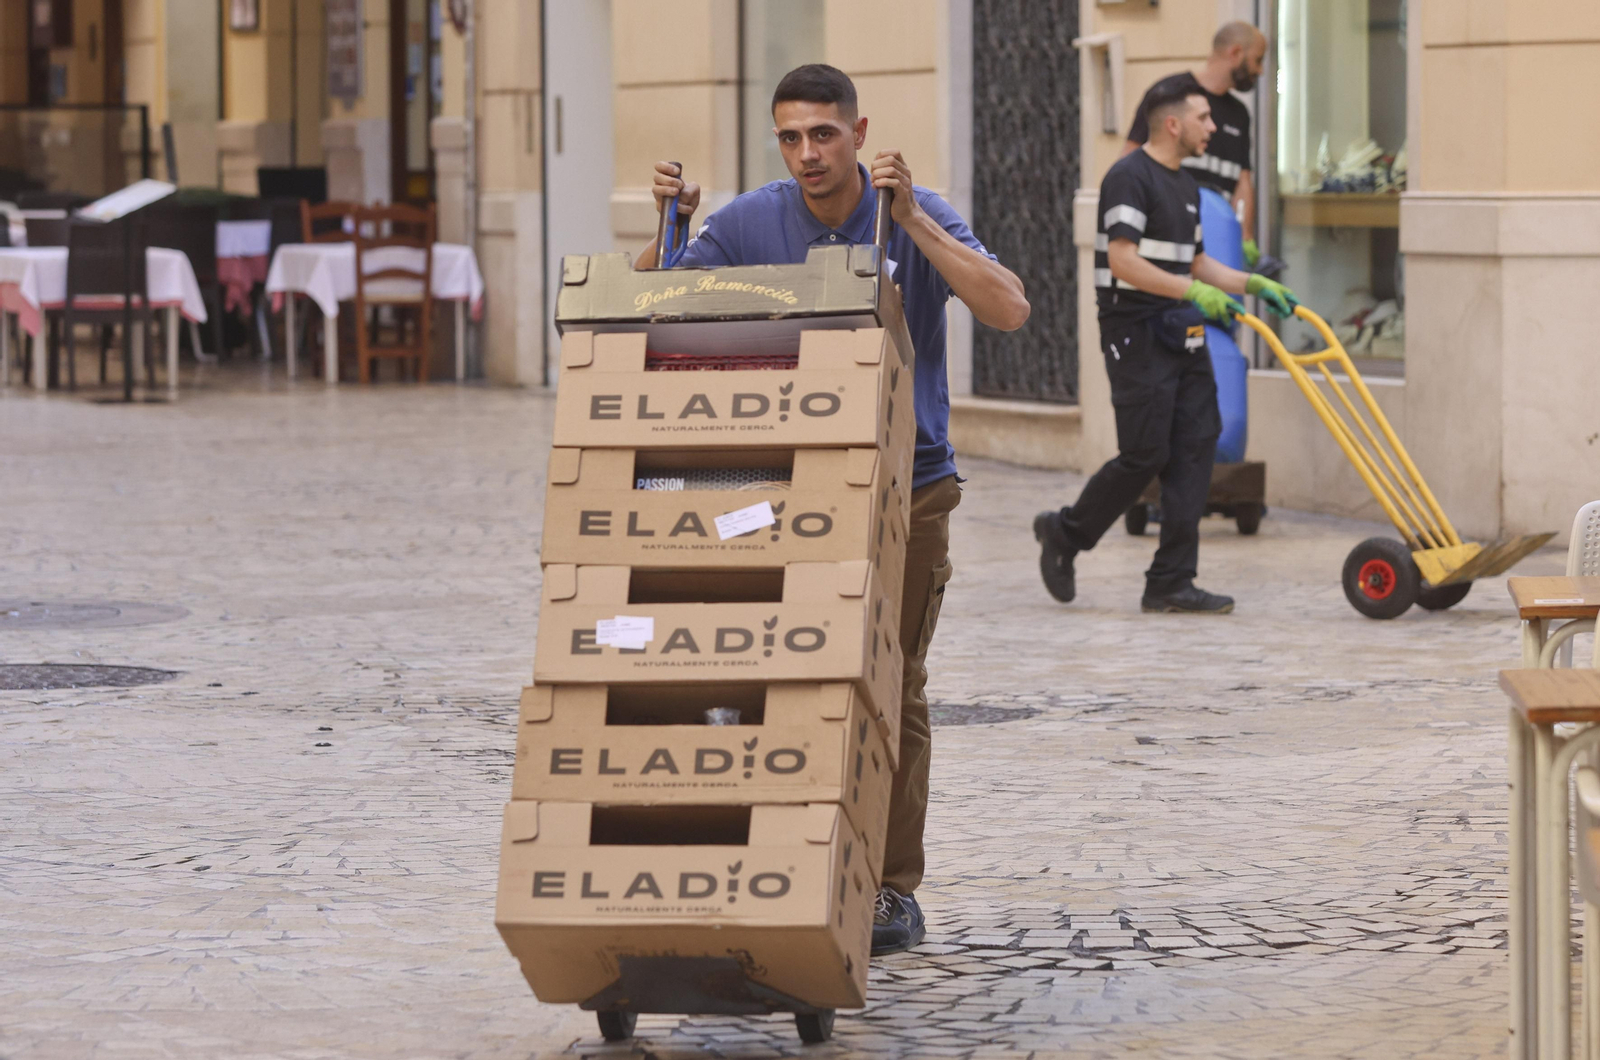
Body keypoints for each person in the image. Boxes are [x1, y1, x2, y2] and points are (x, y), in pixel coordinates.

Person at [635, 64, 1030, 954]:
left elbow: (1009, 309)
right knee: (772, 675)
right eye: (790, 137)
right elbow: (648, 313)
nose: (807, 153)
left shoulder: (911, 210)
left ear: (859, 131)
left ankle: (891, 888)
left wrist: (917, 221)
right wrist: (667, 228)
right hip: (782, 487)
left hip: (911, 487)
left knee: (895, 683)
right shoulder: (750, 220)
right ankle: (777, 861)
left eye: (823, 133)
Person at [1033, 80, 1297, 614]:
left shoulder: (1187, 186)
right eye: (1204, 118)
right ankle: (1065, 533)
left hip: (1181, 324)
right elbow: (1125, 260)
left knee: (1199, 441)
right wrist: (1194, 291)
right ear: (1173, 124)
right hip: (1135, 330)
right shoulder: (1129, 178)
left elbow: (1195, 263)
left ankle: (1171, 580)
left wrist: (1251, 284)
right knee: (1146, 453)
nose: (1213, 127)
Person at [1124, 21, 1267, 266]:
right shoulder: (1170, 94)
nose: (1210, 127)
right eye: (1258, 59)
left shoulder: (1239, 114)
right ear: (1235, 53)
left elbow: (1243, 181)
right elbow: (1131, 160)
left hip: (1217, 237)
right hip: (1166, 234)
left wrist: (1245, 236)